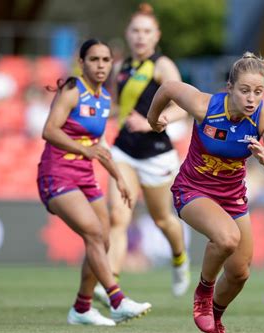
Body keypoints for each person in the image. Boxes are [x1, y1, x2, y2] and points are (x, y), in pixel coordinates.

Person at [147, 52, 264, 333]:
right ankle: (203, 292)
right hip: (192, 190)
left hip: (233, 199)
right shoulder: (205, 105)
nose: (252, 98)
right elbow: (168, 88)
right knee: (227, 238)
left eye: (258, 91)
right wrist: (153, 119)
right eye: (245, 90)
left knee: (240, 274)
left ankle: (216, 319)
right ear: (230, 87)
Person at [37, 39, 152, 326]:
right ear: (82, 62)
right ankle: (117, 299)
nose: (101, 65)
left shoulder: (103, 100)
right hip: (57, 173)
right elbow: (49, 130)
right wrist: (84, 150)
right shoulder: (72, 90)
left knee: (103, 237)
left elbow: (99, 145)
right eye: (94, 60)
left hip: (85, 177)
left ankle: (82, 308)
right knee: (92, 232)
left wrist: (120, 178)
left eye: (105, 60)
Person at [94, 2, 190, 303]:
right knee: (119, 218)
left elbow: (183, 107)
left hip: (157, 155)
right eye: (135, 30)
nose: (140, 36)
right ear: (128, 33)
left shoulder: (163, 66)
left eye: (146, 31)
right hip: (123, 152)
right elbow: (119, 110)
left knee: (163, 219)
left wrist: (153, 123)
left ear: (156, 35)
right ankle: (110, 288)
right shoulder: (123, 67)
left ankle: (179, 259)